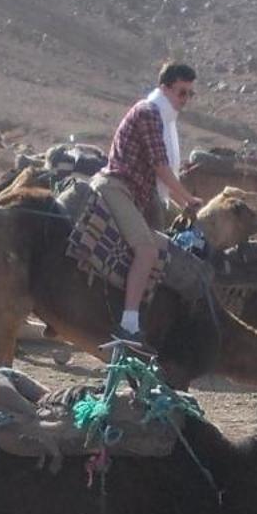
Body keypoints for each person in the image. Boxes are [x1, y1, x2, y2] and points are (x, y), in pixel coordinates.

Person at [95, 61, 200, 343]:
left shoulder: (162, 118)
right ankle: (128, 324)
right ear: (164, 88)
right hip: (116, 188)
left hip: (135, 194)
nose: (185, 100)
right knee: (147, 251)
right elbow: (160, 166)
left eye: (190, 94)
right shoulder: (149, 113)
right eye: (181, 93)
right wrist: (187, 199)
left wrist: (182, 202)